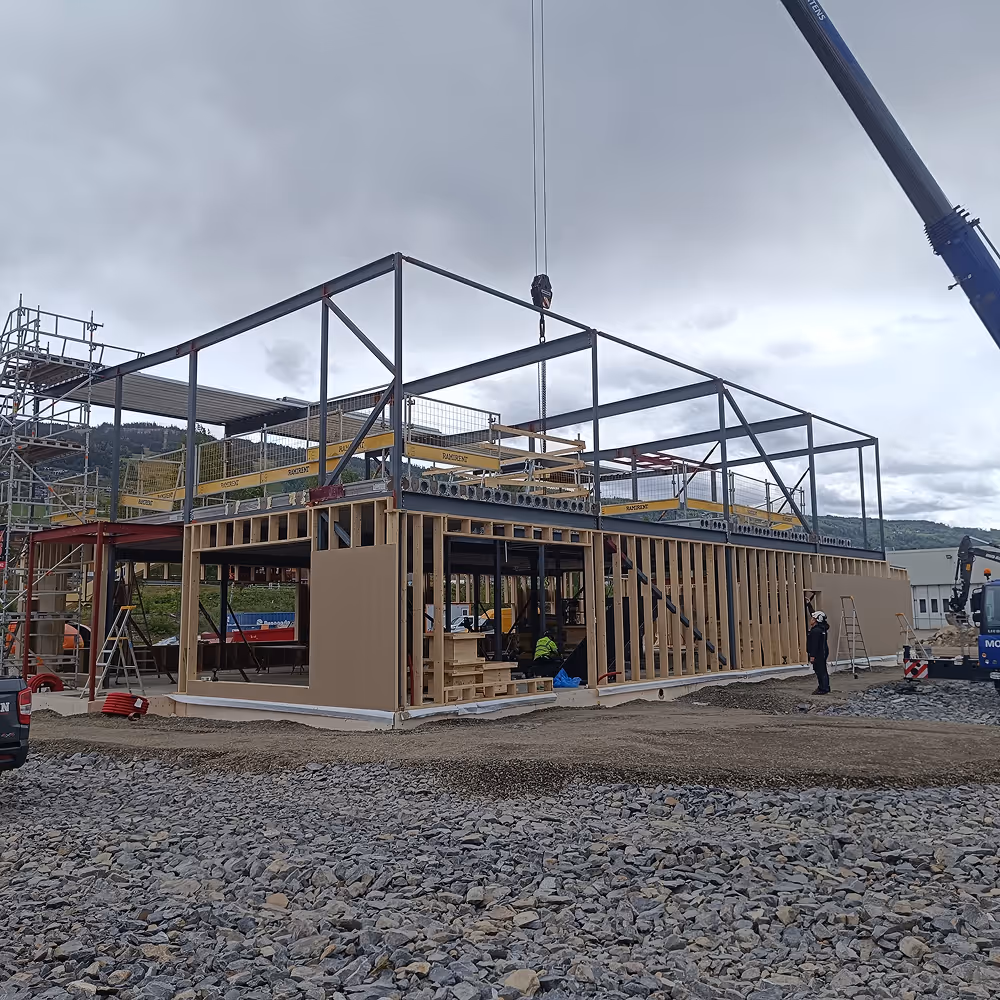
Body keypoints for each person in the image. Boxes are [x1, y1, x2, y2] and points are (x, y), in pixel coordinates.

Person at [807, 610, 830, 695]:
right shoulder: (821, 628)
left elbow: (814, 644)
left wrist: (812, 655)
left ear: (816, 620)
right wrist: (809, 604)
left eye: (813, 618)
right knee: (822, 670)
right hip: (822, 652)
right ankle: (825, 687)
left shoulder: (816, 631)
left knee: (820, 671)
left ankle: (823, 688)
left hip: (819, 653)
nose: (811, 619)